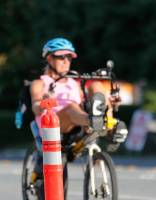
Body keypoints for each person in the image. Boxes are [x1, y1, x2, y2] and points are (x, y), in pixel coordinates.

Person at [30, 37, 128, 182]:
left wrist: (109, 103)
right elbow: (35, 107)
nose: (66, 61)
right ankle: (97, 122)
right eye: (62, 57)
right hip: (54, 126)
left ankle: (108, 123)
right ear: (50, 59)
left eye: (69, 57)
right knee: (71, 107)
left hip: (78, 123)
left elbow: (86, 103)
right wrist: (45, 102)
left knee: (96, 86)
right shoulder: (40, 83)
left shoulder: (74, 83)